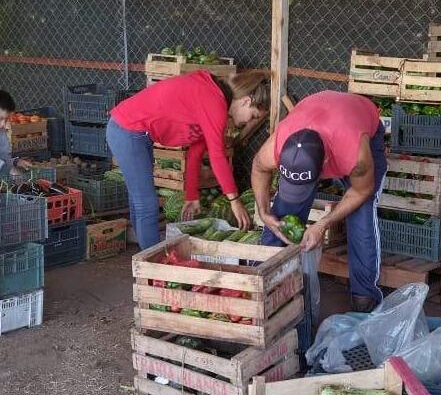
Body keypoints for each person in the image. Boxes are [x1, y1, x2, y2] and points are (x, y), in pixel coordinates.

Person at [251, 91, 387, 312]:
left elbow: (362, 191)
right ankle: (262, 284)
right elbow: (258, 166)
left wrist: (322, 224)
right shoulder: (279, 143)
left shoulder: (355, 154)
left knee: (361, 215)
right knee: (283, 213)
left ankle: (365, 299)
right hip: (315, 114)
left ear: (324, 164)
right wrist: (264, 211)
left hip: (357, 121)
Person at [108, 69, 269, 249]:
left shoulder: (213, 98)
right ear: (246, 101)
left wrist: (191, 196)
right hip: (128, 130)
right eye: (253, 115)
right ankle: (153, 266)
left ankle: (145, 259)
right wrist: (234, 200)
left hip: (134, 133)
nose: (248, 122)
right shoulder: (215, 101)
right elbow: (217, 157)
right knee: (147, 205)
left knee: (141, 203)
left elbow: (195, 152)